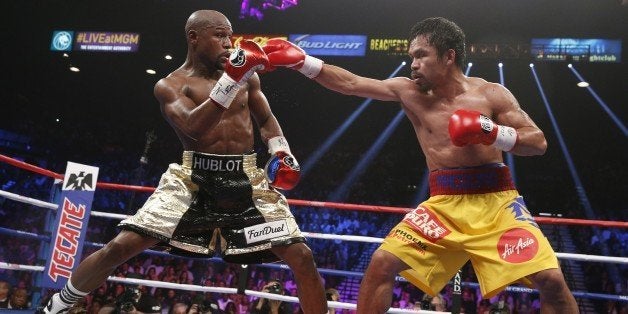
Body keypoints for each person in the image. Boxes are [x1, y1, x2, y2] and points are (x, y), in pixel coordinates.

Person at [261, 17, 579, 313]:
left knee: (551, 281)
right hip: (443, 205)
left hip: (498, 204)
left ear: (448, 56)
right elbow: (351, 83)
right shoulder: (408, 91)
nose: (413, 64)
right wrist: (304, 63)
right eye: (411, 56)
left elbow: (537, 143)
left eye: (421, 55)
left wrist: (492, 133)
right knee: (382, 263)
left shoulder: (491, 93)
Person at [42, 9, 326, 314]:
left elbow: (266, 119)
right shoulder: (171, 85)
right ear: (194, 37)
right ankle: (58, 304)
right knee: (121, 246)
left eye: (230, 36)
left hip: (246, 184)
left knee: (301, 255)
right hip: (192, 183)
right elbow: (193, 128)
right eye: (219, 35)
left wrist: (281, 151)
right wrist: (231, 79)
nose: (229, 43)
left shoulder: (247, 77)